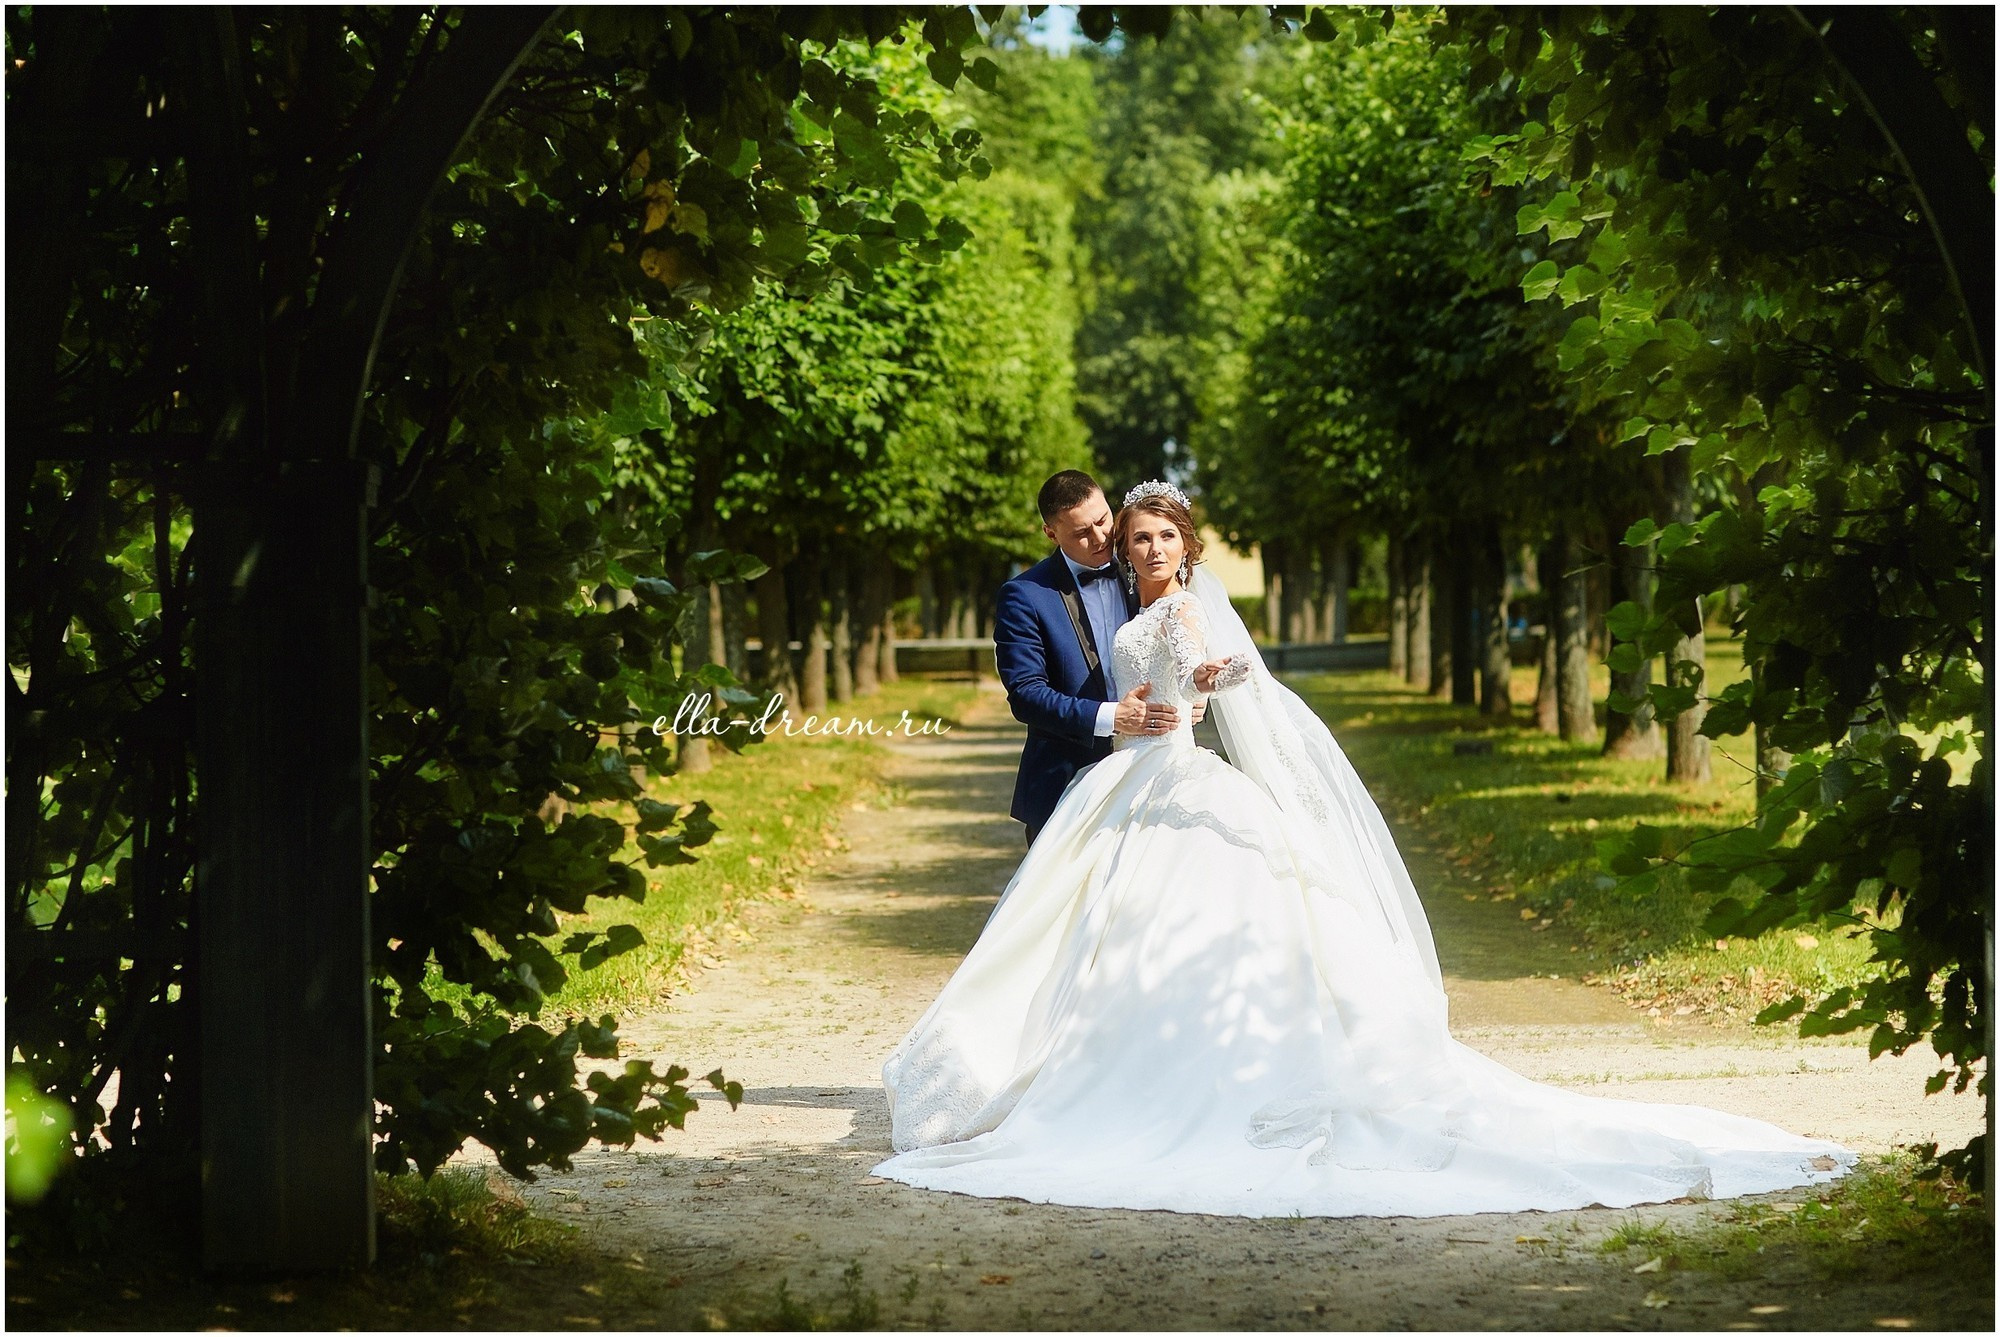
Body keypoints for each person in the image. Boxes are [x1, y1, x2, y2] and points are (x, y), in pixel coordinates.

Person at [873, 479, 1854, 1218]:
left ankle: (1167, 1076)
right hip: (1115, 777)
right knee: (1082, 936)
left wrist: (1208, 679)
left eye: (1152, 533)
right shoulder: (1074, 598)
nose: (1133, 544)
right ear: (1090, 539)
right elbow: (1046, 692)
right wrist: (1133, 709)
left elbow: (1217, 676)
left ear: (1181, 543)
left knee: (1189, 924)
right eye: (1127, 536)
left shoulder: (1181, 606)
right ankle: (1053, 1066)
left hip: (1170, 770)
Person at [993, 470, 1227, 848]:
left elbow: (1183, 636)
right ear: (1050, 533)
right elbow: (1025, 693)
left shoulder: (1143, 565)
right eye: (1082, 533)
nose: (1101, 538)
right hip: (1066, 781)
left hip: (1156, 777)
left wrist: (1192, 695)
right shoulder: (1024, 595)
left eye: (1103, 520)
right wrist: (1111, 717)